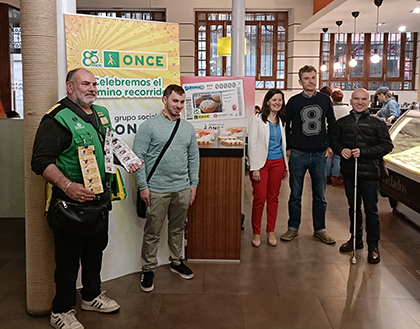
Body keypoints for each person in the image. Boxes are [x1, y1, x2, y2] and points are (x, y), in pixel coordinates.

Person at [31, 68, 141, 329]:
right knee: (68, 261)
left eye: (94, 84)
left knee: (95, 252)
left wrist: (126, 160)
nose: (91, 88)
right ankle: (61, 310)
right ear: (70, 87)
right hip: (70, 205)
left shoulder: (101, 114)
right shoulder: (56, 118)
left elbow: (106, 150)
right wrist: (67, 186)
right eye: (85, 84)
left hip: (100, 201)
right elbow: (40, 161)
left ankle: (91, 296)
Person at [133, 84, 199, 293]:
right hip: (156, 190)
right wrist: (143, 186)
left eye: (181, 102)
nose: (178, 106)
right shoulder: (149, 126)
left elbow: (193, 158)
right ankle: (148, 268)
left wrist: (193, 184)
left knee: (178, 228)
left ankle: (176, 261)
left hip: (182, 188)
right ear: (164, 99)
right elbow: (138, 159)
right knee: (153, 231)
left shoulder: (187, 128)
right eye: (174, 101)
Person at [331, 88, 393, 264]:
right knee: (353, 207)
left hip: (370, 173)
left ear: (369, 101)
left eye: (363, 99)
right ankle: (355, 239)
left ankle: (373, 245)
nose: (359, 102)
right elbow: (334, 141)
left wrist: (364, 152)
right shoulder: (342, 123)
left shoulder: (377, 123)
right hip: (350, 173)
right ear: (351, 101)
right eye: (356, 99)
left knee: (371, 210)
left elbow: (387, 146)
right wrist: (341, 149)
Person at [280, 65, 336, 244]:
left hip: (320, 154)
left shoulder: (325, 100)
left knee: (320, 195)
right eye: (307, 78)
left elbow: (332, 124)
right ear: (300, 81)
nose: (311, 81)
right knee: (295, 194)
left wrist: (330, 145)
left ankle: (320, 229)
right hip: (298, 153)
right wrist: (288, 147)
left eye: (313, 78)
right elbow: (286, 126)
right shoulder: (294, 102)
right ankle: (293, 227)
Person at [248, 89, 288, 247]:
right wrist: (255, 167)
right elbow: (252, 144)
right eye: (274, 100)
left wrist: (285, 165)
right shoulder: (257, 119)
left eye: (280, 100)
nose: (277, 103)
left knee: (274, 198)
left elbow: (283, 144)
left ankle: (270, 230)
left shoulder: (282, 120)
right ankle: (256, 233)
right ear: (267, 102)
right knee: (259, 199)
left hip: (278, 163)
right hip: (261, 164)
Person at [326, 89, 351, 186]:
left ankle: (326, 176)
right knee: (338, 156)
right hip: (341, 134)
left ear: (332, 97)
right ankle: (335, 178)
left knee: (328, 155)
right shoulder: (347, 109)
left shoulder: (329, 108)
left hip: (329, 133)